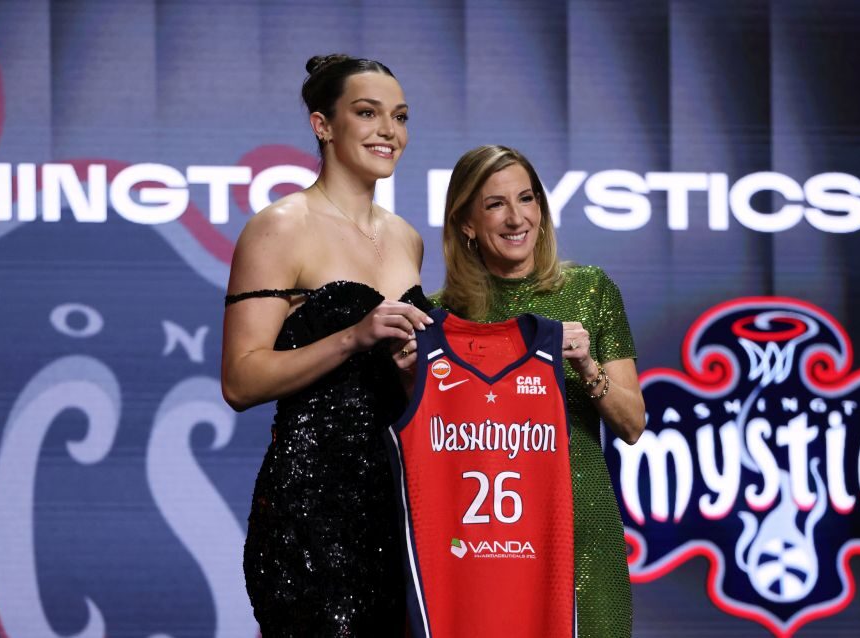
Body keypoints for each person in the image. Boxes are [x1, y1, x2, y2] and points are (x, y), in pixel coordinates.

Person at [221, 54, 432, 636]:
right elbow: (240, 380)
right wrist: (353, 337)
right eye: (367, 113)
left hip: (398, 501)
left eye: (400, 116)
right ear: (323, 125)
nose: (388, 130)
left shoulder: (408, 238)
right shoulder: (280, 226)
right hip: (313, 505)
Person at [403, 144, 646, 638]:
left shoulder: (591, 290)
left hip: (581, 532)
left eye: (526, 198)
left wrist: (586, 366)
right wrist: (406, 374)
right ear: (466, 223)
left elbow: (632, 424)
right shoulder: (436, 317)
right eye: (495, 204)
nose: (517, 218)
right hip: (483, 543)